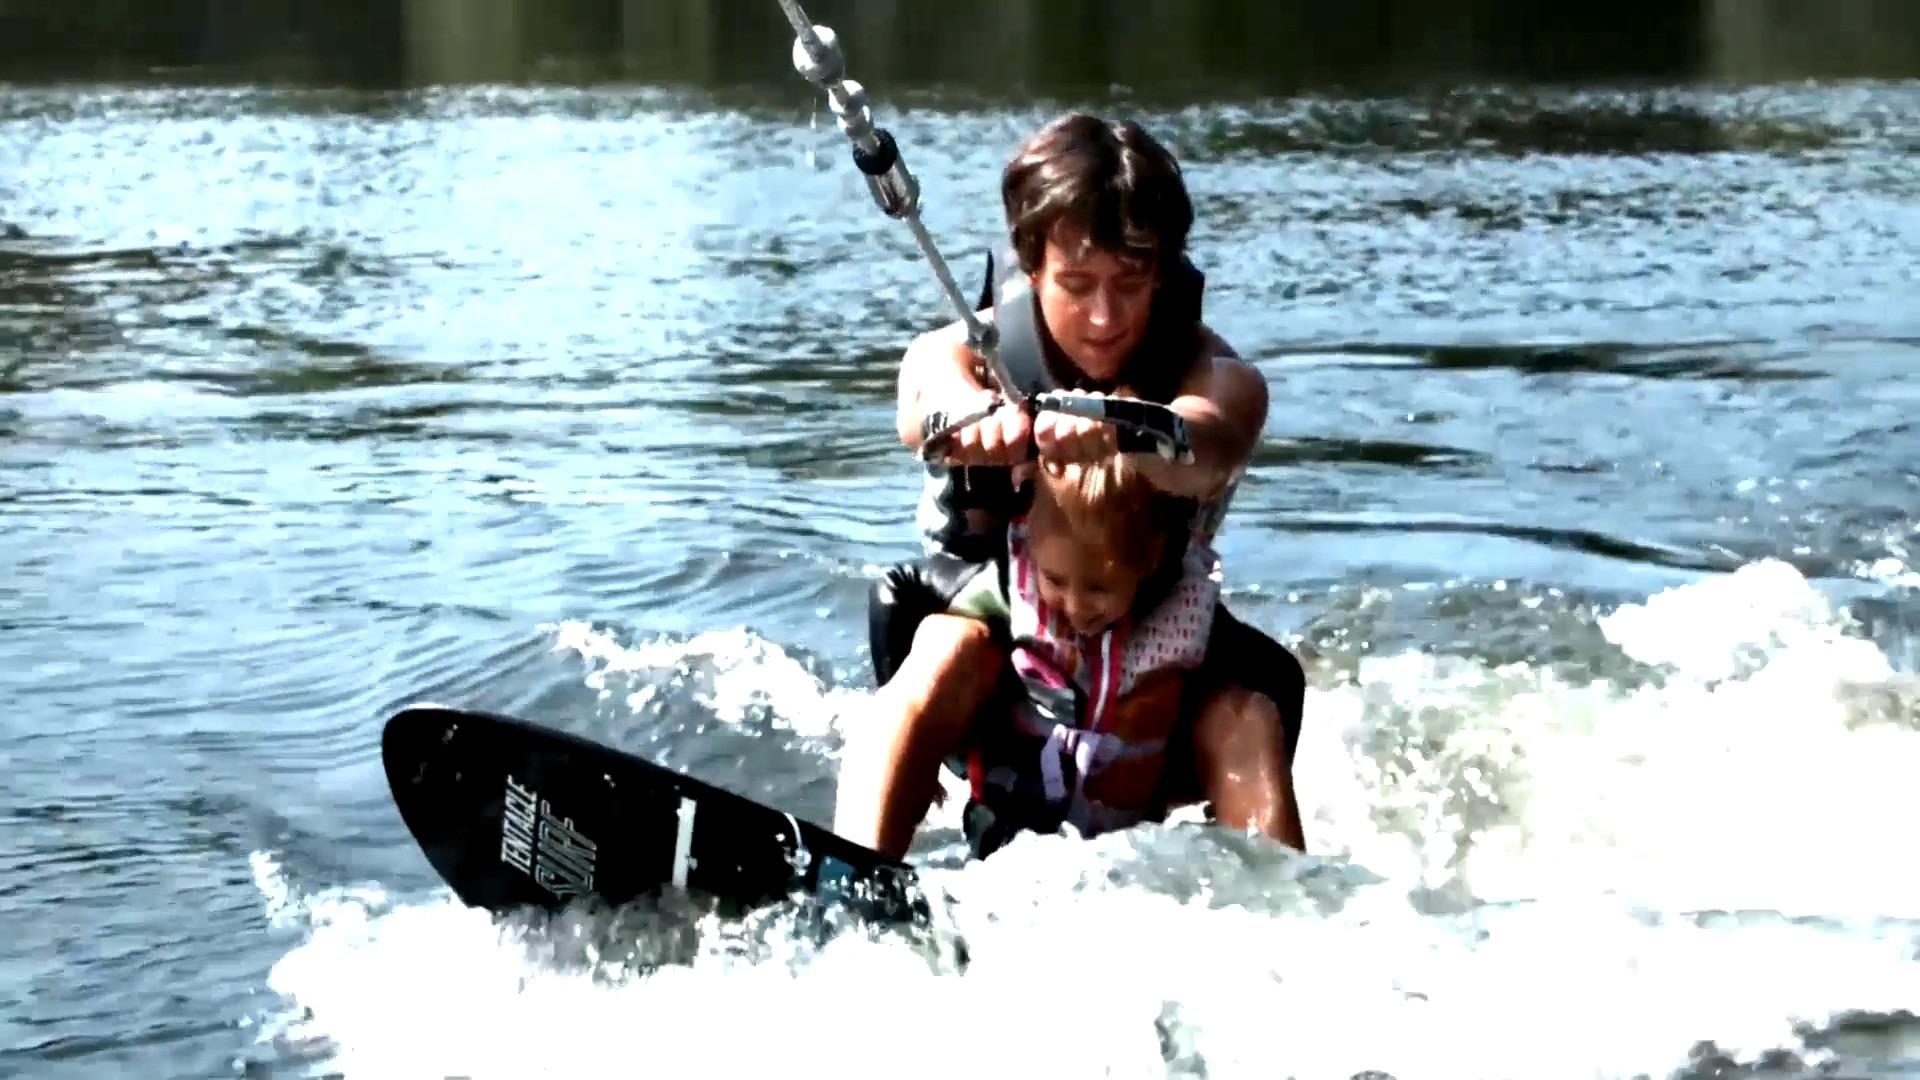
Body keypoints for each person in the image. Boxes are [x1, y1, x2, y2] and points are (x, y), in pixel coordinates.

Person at [833, 112, 1307, 860]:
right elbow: (923, 385)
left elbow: (1214, 435)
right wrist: (974, 415)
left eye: (1131, 283)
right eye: (1076, 283)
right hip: (999, 665)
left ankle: (1293, 921)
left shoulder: (1208, 369)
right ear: (1031, 265)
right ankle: (855, 879)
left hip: (1155, 680)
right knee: (943, 651)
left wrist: (1135, 430)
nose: (1104, 316)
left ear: (1164, 271)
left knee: (1247, 718)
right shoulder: (982, 346)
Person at [911, 445, 1222, 858]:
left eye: (1098, 588)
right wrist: (925, 762)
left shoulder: (1180, 619)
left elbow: (1273, 680)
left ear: (1150, 559)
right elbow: (898, 609)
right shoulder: (1004, 598)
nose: (1075, 607)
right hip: (1006, 832)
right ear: (1031, 545)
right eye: (1055, 580)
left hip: (1134, 848)